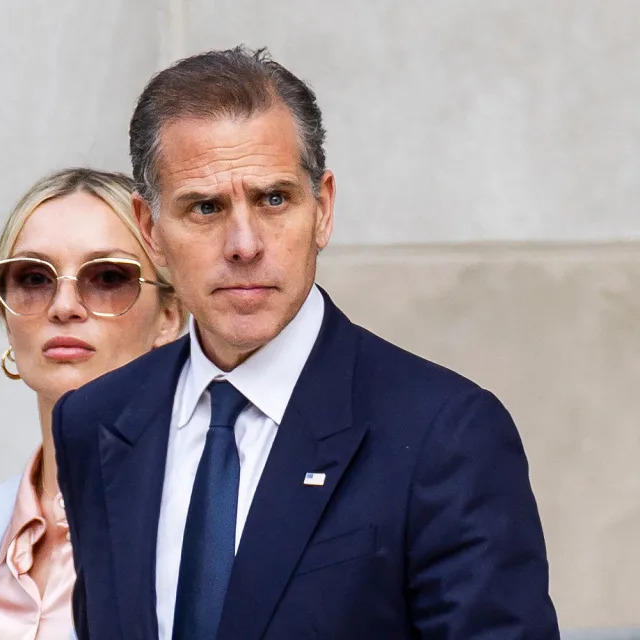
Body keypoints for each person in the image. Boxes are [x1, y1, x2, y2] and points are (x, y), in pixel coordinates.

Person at [52, 47, 560, 639]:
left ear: (322, 210)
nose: (244, 244)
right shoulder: (96, 423)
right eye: (206, 207)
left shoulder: (444, 434)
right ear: (150, 231)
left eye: (274, 199)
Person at [0, 168, 184, 640]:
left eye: (108, 276)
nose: (64, 305)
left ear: (168, 316)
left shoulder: (209, 519)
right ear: (6, 316)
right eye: (33, 277)